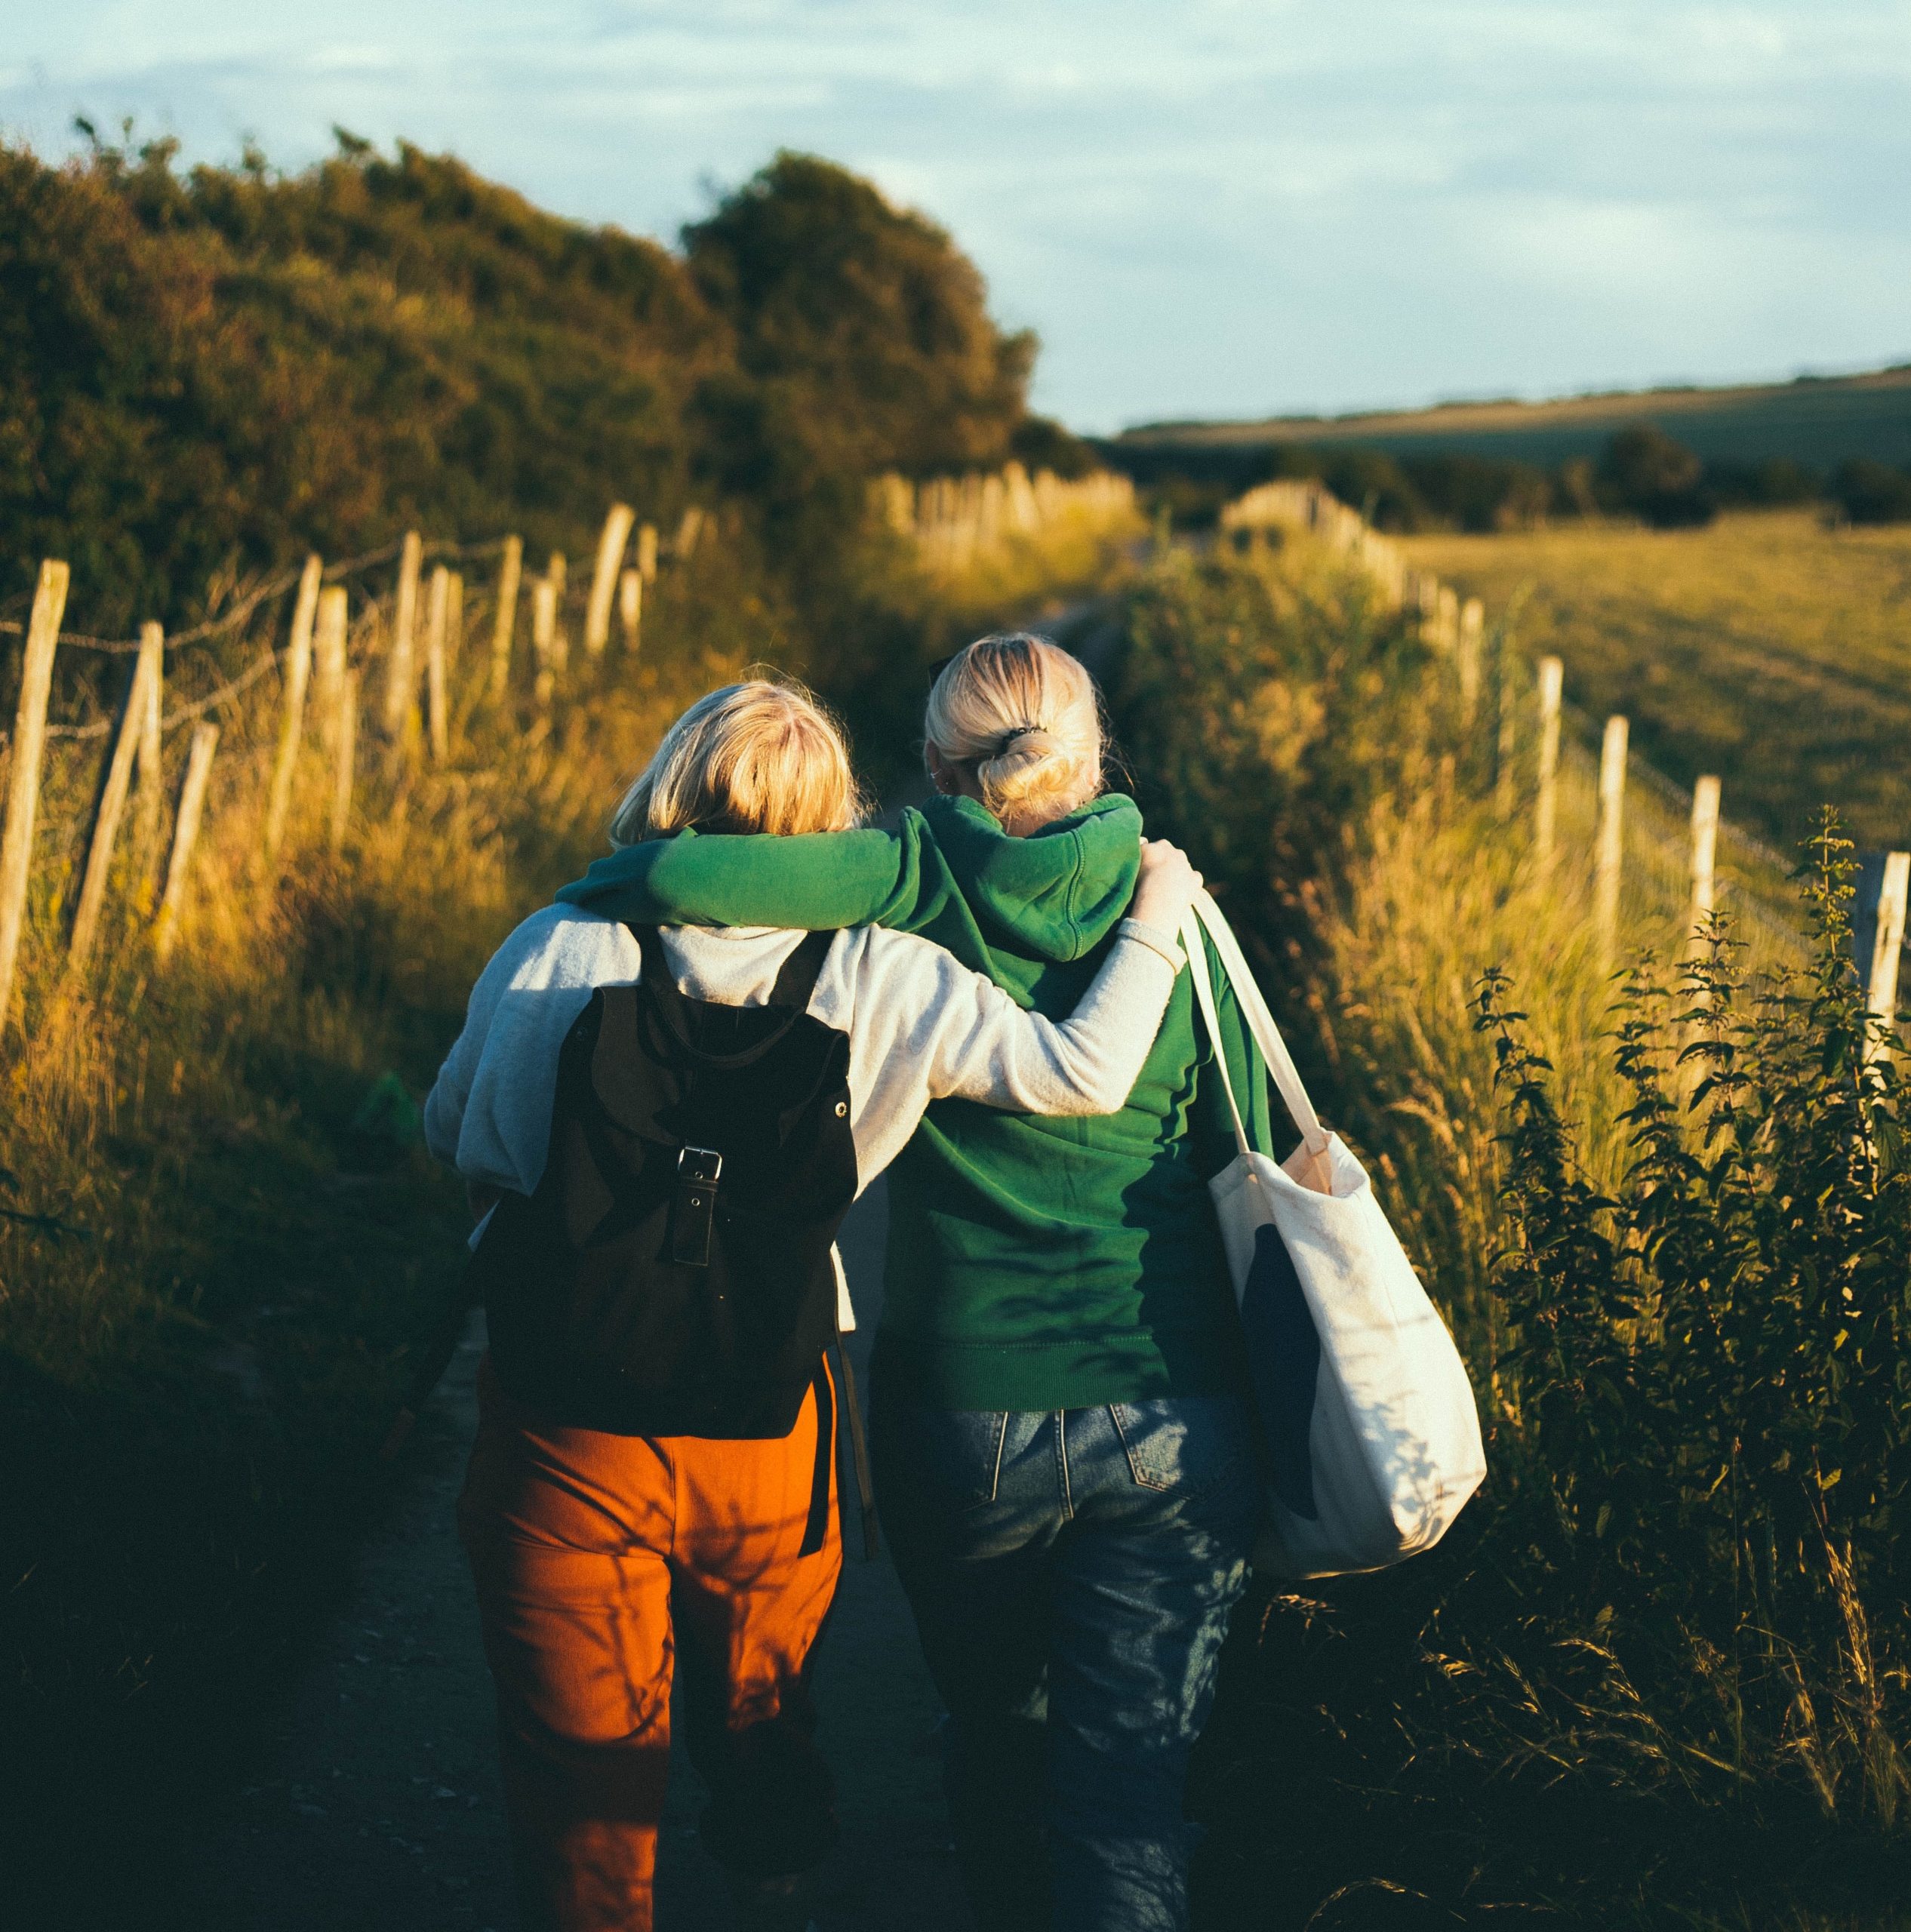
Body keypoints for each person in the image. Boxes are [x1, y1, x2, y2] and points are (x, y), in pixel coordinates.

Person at [423, 677, 1205, 1932]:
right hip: (770, 1406)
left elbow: (462, 1135)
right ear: (836, 822)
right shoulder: (888, 972)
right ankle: (773, 1850)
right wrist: (1162, 909)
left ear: (670, 786)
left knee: (577, 1766)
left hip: (563, 1414)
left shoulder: (560, 941)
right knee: (759, 1689)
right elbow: (1075, 1074)